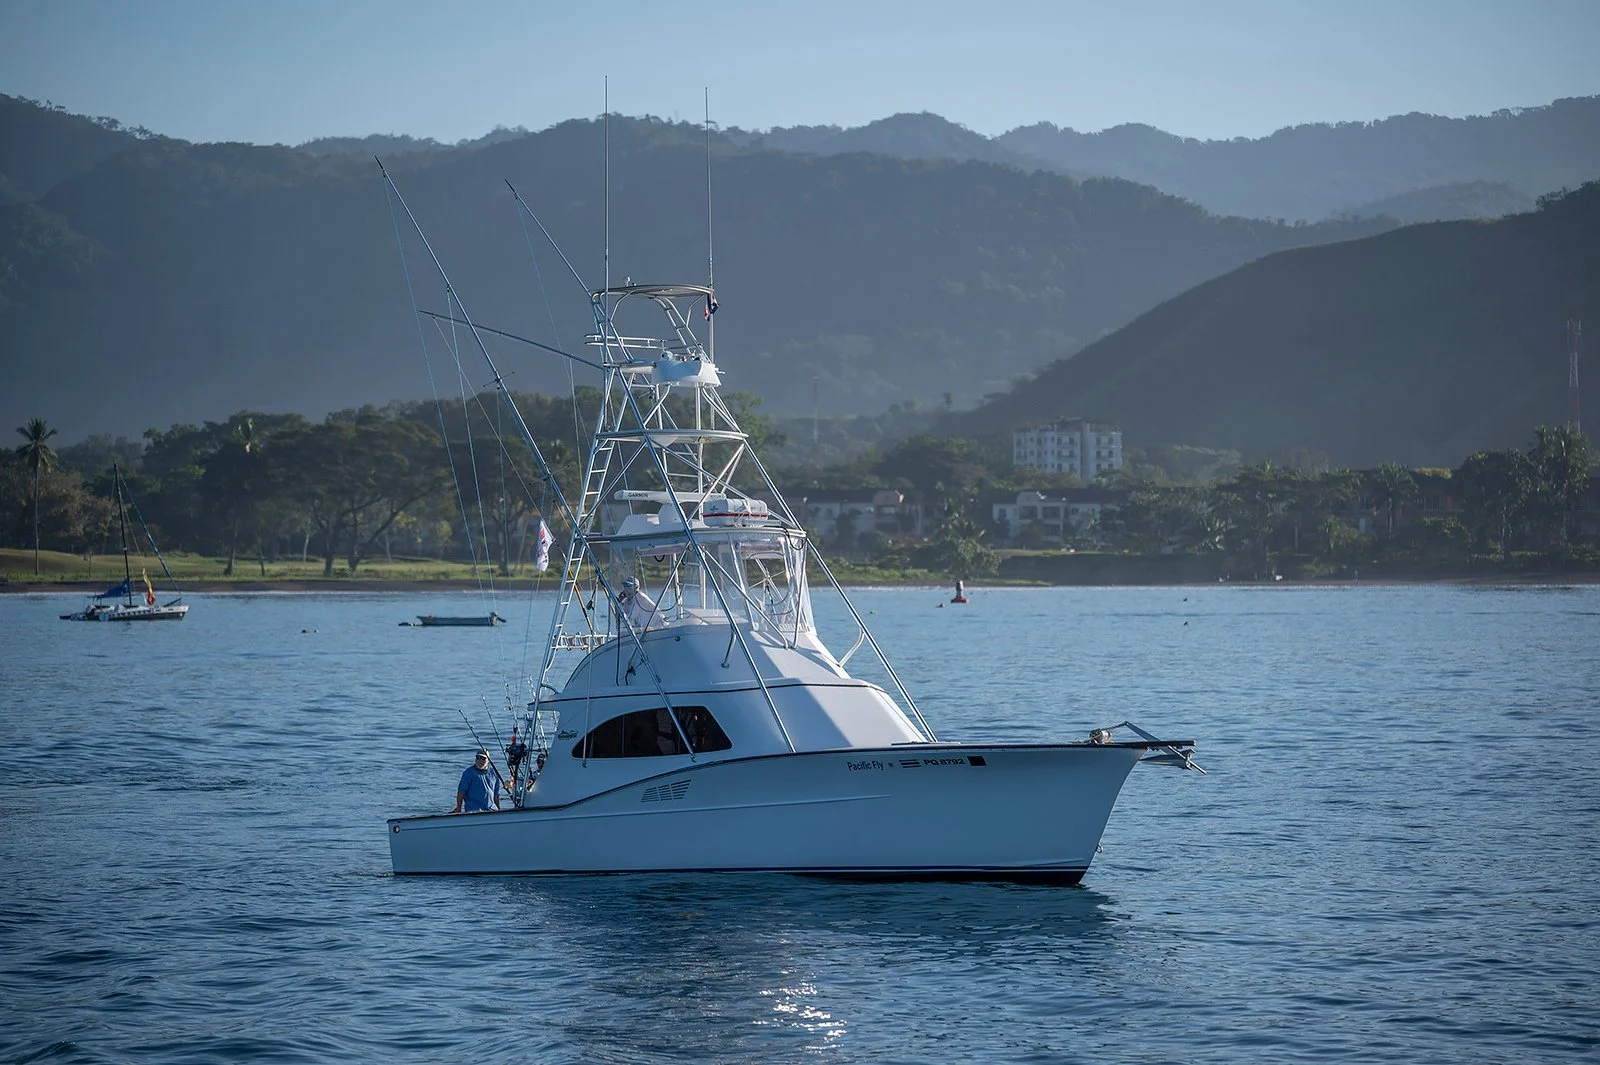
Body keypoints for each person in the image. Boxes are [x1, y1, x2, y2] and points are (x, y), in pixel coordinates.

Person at [452, 748, 504, 814]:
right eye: (478, 757)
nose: (480, 761)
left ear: (488, 760)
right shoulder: (468, 773)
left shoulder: (494, 773)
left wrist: (498, 810)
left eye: (483, 758)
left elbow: (496, 794)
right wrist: (458, 807)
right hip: (474, 811)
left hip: (492, 810)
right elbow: (461, 792)